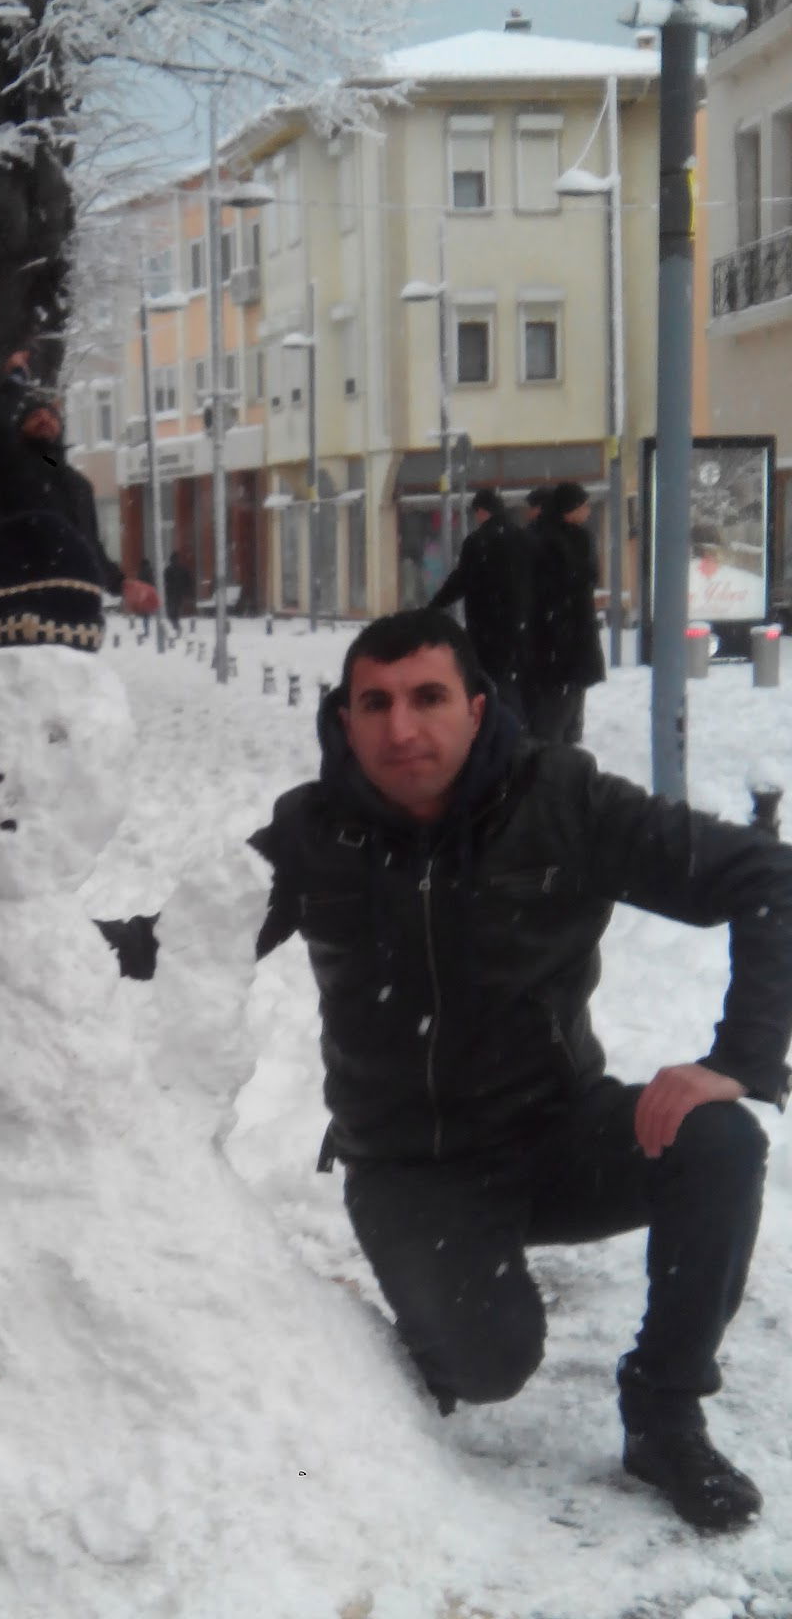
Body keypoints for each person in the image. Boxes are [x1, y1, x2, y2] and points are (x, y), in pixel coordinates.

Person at [240, 607, 792, 1532]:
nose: (401, 728)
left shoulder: (560, 800)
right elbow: (185, 939)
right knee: (486, 1365)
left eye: (427, 697)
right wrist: (26, 933)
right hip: (411, 1168)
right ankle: (415, 1331)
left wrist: (739, 1059)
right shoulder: (313, 831)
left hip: (555, 1135)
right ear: (345, 721)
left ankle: (665, 1414)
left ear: (476, 708)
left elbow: (769, 877)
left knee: (719, 1141)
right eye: (375, 703)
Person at [0, 351, 126, 597]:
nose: (44, 418)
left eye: (51, 416)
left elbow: (91, 547)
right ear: (20, 429)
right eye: (34, 416)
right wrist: (15, 380)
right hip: (25, 591)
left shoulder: (79, 485)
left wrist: (121, 585)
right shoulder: (13, 466)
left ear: (60, 427)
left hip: (73, 598)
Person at [428, 487, 532, 713]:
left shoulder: (478, 541)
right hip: (520, 624)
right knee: (513, 683)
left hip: (486, 626)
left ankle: (495, 720)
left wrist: (435, 606)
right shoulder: (523, 538)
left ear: (482, 511)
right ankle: (516, 722)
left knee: (488, 682)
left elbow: (461, 580)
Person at [526, 480, 605, 743]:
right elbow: (583, 577)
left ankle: (564, 738)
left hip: (556, 629)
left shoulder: (543, 535)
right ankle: (562, 741)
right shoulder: (566, 539)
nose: (588, 511)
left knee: (563, 693)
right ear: (570, 509)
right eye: (584, 506)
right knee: (563, 697)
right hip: (564, 628)